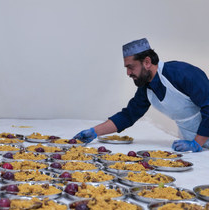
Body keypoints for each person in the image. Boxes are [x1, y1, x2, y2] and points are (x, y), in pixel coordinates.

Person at [74, 38, 209, 152]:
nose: (128, 73)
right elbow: (128, 115)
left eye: (131, 67)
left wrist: (197, 143)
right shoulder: (146, 87)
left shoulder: (184, 73)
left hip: (199, 139)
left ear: (147, 62)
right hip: (190, 140)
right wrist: (94, 131)